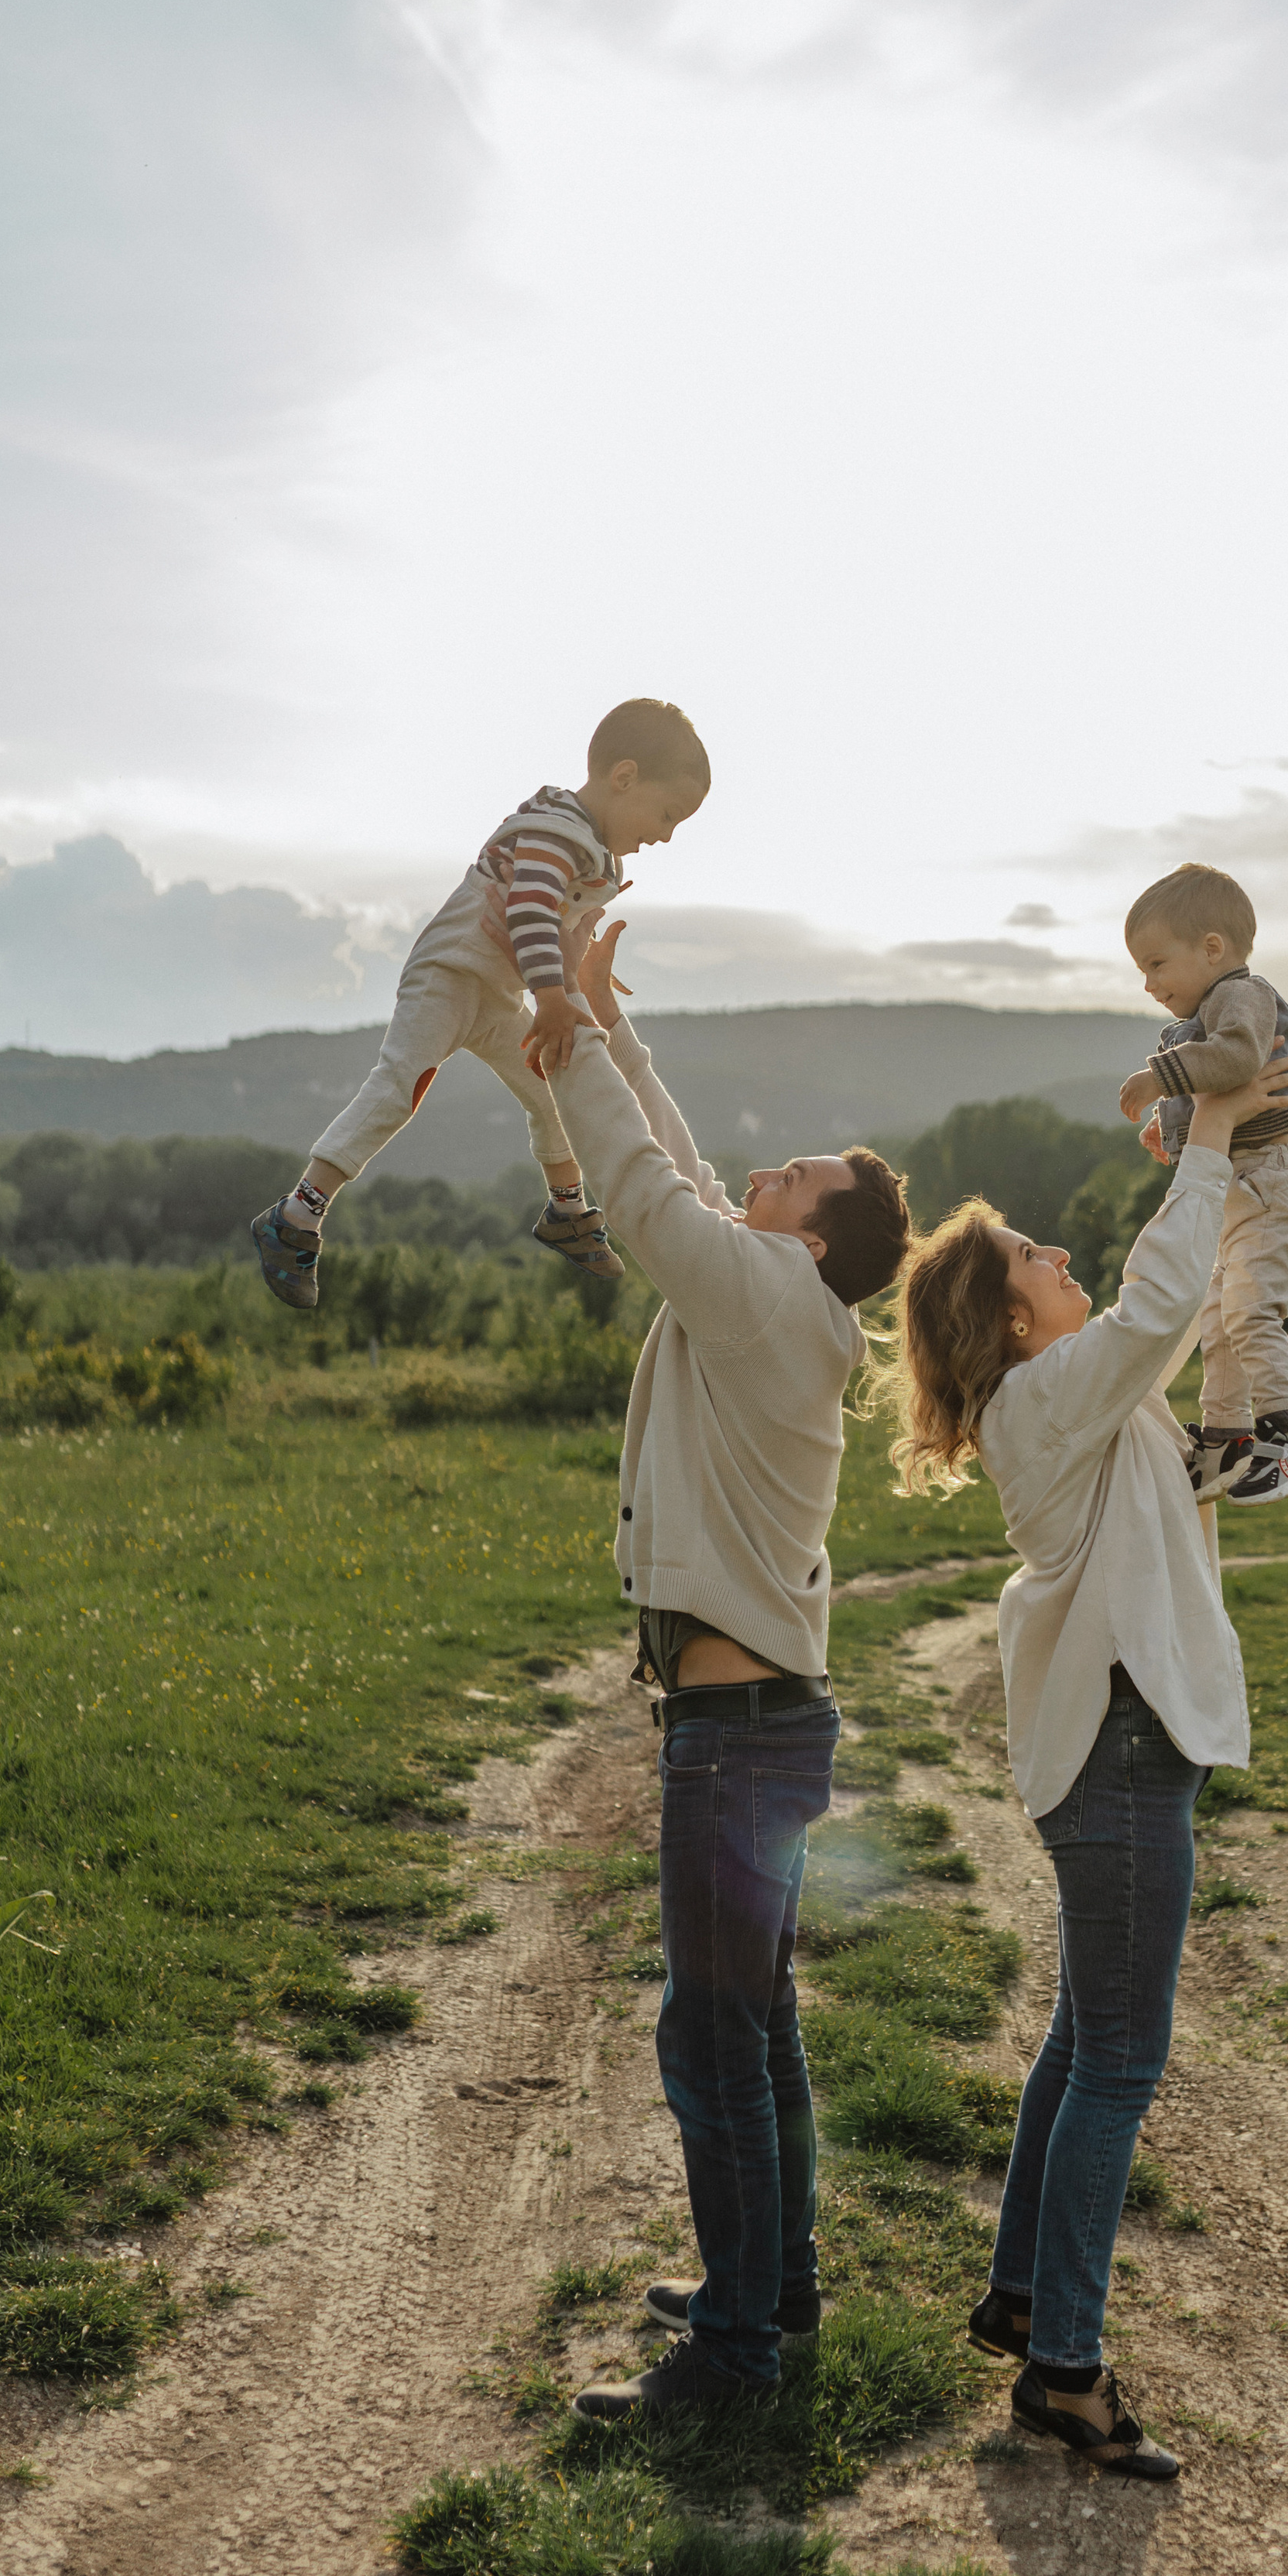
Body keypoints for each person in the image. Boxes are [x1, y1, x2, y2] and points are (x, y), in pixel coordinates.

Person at [886, 1040, 1288, 2479]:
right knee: (1122, 2064)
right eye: (1034, 1254)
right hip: (1121, 1756)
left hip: (1122, 1748)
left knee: (1083, 2042)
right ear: (1014, 1320)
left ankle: (1022, 2299)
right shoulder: (1048, 1399)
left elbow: (1179, 1318)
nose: (1062, 1254)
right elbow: (1162, 1297)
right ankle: (1065, 2372)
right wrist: (1212, 1134)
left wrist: (1215, 1164)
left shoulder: (1074, 1396)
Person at [516, 916, 910, 2422]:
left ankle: (737, 2349)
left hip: (736, 1736)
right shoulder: (782, 1301)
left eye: (793, 1173)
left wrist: (567, 1037)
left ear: (810, 1234)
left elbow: (639, 1190)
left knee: (713, 2039)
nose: (765, 1169)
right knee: (758, 2028)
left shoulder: (760, 1298)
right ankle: (772, 2287)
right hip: (764, 1723)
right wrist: (610, 1020)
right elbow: (681, 1176)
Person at [249, 698, 710, 1308]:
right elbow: (529, 909)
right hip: (453, 972)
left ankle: (567, 1212)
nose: (666, 835)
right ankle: (296, 1216)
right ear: (624, 777)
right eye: (667, 814)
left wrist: (578, 967)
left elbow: (557, 925)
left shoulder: (592, 851)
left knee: (553, 1091)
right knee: (400, 1085)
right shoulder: (556, 830)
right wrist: (551, 994)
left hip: (496, 994)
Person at [1115, 861, 1288, 1507]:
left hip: (1271, 1184)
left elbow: (1237, 1058)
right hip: (1243, 1191)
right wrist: (1172, 1127)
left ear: (1212, 948)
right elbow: (1217, 1086)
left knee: (1250, 1313)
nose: (1149, 984)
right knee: (1218, 1321)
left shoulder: (1241, 996)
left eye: (1157, 964)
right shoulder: (1206, 1012)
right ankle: (1227, 1439)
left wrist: (1160, 1077)